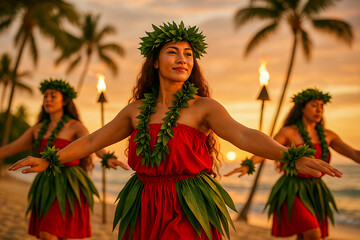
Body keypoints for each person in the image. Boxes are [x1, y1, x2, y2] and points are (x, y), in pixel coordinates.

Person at [8, 22, 342, 240]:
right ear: (155, 61)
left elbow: (244, 136)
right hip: (145, 200)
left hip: (189, 200)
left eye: (189, 54)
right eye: (173, 52)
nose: (183, 59)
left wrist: (289, 156)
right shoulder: (135, 111)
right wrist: (50, 159)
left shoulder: (203, 107)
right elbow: (94, 140)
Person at [1, 78, 129, 240]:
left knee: (52, 233)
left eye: (53, 96)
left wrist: (106, 157)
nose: (47, 99)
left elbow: (92, 143)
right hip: (46, 184)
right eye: (45, 96)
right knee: (47, 233)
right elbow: (10, 148)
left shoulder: (75, 126)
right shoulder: (37, 129)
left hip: (69, 184)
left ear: (64, 101)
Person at [225, 88, 360, 239]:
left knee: (306, 235)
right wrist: (248, 164)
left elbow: (354, 154)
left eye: (322, 106)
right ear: (302, 108)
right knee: (313, 232)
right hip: (292, 189)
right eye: (314, 105)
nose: (319, 110)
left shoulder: (328, 135)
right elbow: (268, 149)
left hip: (316, 190)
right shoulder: (288, 132)